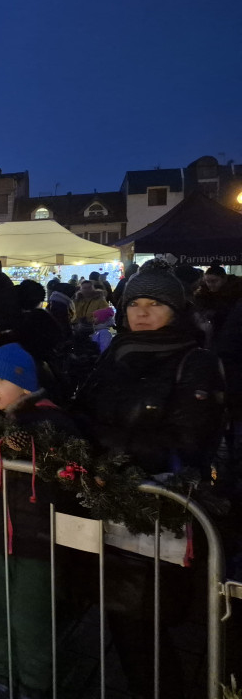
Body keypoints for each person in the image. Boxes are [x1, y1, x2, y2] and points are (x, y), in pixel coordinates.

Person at [75, 260, 225, 698]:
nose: (141, 312)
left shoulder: (195, 361)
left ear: (175, 310)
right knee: (122, 619)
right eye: (135, 303)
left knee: (149, 621)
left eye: (154, 303)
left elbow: (190, 440)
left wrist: (104, 443)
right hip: (105, 497)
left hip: (155, 506)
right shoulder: (117, 351)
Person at [0, 343, 79, 699]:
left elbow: (69, 472)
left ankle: (35, 686)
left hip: (37, 539)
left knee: (32, 621)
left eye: (1, 379)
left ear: (26, 383)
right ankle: (3, 678)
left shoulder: (52, 422)